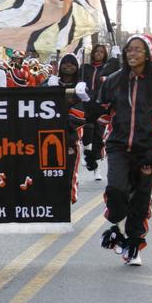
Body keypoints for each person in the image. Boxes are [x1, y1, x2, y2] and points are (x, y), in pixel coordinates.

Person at [96, 34, 152, 266]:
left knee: (141, 197)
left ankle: (133, 244)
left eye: (138, 50)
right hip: (117, 145)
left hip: (146, 148)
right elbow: (101, 112)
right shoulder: (113, 80)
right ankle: (115, 222)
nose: (132, 53)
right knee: (117, 189)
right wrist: (95, 141)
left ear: (148, 54)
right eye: (129, 49)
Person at [48, 53, 86, 203]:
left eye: (72, 63)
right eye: (65, 63)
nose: (68, 66)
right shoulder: (51, 83)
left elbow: (81, 114)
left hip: (71, 137)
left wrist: (84, 95)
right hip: (49, 136)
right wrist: (46, 88)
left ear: (77, 67)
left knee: (69, 173)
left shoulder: (81, 86)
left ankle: (67, 204)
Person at [79, 43, 111, 178]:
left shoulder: (107, 68)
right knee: (85, 131)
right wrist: (78, 59)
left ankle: (97, 167)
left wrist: (117, 59)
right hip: (86, 103)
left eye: (102, 52)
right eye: (97, 51)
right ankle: (85, 152)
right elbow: (78, 80)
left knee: (98, 136)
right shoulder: (85, 68)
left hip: (100, 105)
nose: (99, 54)